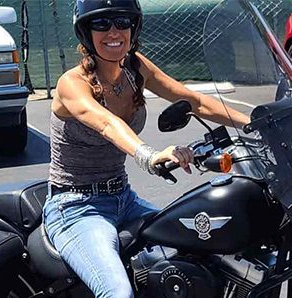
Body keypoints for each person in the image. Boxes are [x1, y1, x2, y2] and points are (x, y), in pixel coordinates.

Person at [42, 0, 250, 297]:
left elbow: (196, 101)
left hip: (124, 199)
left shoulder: (134, 67)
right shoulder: (72, 83)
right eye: (101, 24)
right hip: (75, 208)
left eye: (122, 22)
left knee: (203, 250)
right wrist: (149, 155)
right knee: (117, 292)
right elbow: (106, 123)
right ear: (86, 32)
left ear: (133, 27)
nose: (113, 31)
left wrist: (255, 122)